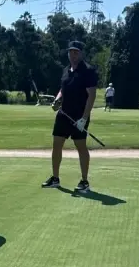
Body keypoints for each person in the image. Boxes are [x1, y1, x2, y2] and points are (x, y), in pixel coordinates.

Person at [42, 40, 98, 194]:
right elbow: (63, 88)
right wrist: (57, 99)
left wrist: (84, 118)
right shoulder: (66, 70)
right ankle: (55, 178)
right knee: (56, 144)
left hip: (79, 116)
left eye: (76, 52)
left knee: (80, 147)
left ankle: (84, 181)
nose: (73, 55)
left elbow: (91, 95)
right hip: (63, 114)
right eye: (71, 52)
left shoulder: (88, 71)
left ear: (81, 53)